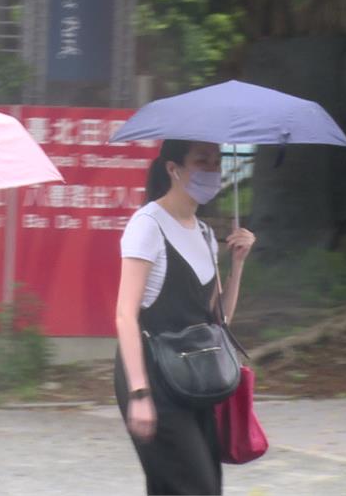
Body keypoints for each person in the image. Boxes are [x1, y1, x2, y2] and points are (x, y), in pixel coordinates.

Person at [114, 140, 256, 495]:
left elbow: (219, 318)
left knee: (185, 486)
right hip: (153, 376)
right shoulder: (148, 225)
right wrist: (139, 393)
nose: (212, 169)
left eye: (216, 161)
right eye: (201, 161)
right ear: (173, 169)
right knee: (198, 487)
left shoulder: (205, 233)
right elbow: (124, 315)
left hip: (195, 377)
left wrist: (237, 264)